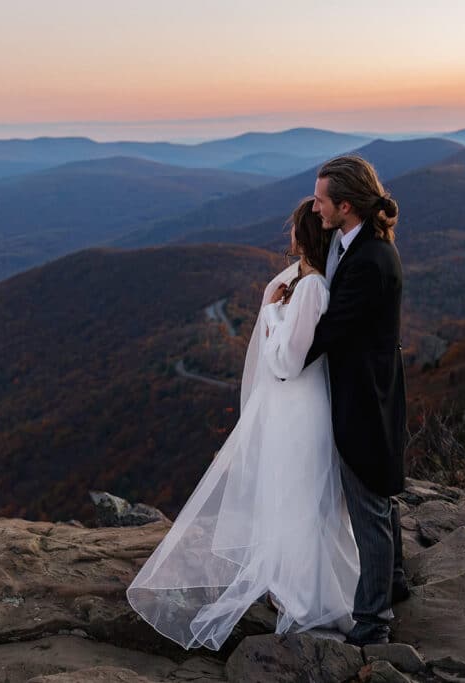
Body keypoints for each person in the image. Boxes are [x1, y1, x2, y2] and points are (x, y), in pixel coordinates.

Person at [127, 199, 360, 650]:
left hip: (299, 403)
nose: (288, 234)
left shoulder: (311, 287)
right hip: (287, 406)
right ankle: (289, 583)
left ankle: (310, 598)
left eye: (294, 227)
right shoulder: (301, 278)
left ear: (307, 233)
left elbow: (290, 362)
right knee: (285, 489)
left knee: (300, 493)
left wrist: (272, 314)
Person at [304, 155, 409, 646]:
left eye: (322, 200)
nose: (315, 207)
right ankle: (395, 583)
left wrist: (283, 356)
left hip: (364, 399)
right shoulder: (358, 244)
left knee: (368, 506)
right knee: (379, 495)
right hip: (372, 390)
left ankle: (373, 624)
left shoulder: (368, 260)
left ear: (345, 205)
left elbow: (333, 328)